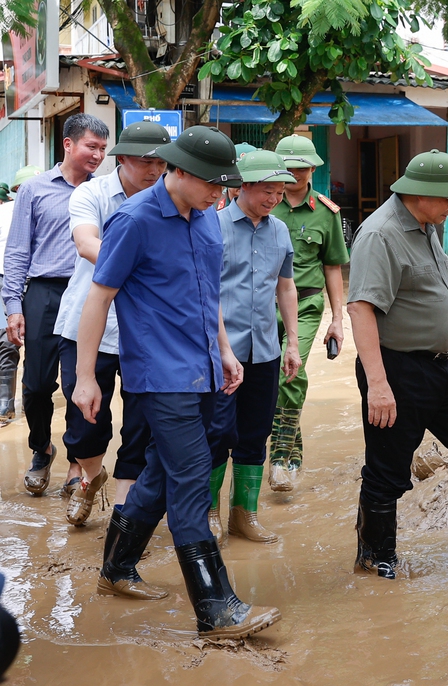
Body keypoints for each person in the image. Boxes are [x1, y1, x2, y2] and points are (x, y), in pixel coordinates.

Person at [73, 125, 279, 639]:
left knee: (162, 476)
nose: (218, 193)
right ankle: (216, 607)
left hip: (205, 371)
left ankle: (115, 571)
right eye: (210, 183)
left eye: (223, 185)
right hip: (160, 376)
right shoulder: (134, 221)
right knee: (190, 480)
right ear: (178, 171)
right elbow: (98, 298)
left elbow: (208, 297)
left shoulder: (206, 220)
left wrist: (226, 353)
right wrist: (83, 378)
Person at [346, 149, 448, 579]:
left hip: (442, 368)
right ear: (422, 194)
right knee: (387, 471)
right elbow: (361, 309)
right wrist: (378, 386)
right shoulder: (380, 235)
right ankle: (375, 559)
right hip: (397, 370)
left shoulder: (426, 224)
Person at [55, 122, 169, 527]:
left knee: (141, 426)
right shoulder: (92, 193)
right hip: (89, 328)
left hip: (146, 333)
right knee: (85, 426)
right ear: (122, 159)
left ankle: (124, 514)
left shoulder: (169, 201)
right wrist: (143, 265)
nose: (154, 170)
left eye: (161, 162)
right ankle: (90, 474)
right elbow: (86, 244)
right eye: (145, 161)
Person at [4, 114, 110, 497]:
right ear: (68, 144)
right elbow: (17, 251)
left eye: (102, 148)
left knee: (80, 381)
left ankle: (75, 462)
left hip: (90, 294)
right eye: (91, 147)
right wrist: (13, 306)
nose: (98, 155)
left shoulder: (105, 193)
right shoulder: (34, 189)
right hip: (45, 293)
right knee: (35, 386)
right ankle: (41, 448)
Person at [208, 150, 301, 544]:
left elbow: (285, 286)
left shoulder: (279, 230)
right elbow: (205, 292)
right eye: (267, 190)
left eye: (280, 192)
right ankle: (207, 513)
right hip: (218, 351)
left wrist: (292, 341)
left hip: (264, 350)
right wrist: (221, 347)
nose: (274, 198)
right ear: (241, 186)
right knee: (216, 431)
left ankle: (244, 514)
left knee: (255, 431)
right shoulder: (211, 226)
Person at [268, 134, 348, 492]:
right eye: (288, 168)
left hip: (307, 302)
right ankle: (292, 447)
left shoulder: (326, 213)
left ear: (313, 168)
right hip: (262, 305)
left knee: (292, 370)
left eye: (301, 169)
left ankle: (280, 454)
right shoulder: (264, 203)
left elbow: (333, 267)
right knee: (268, 376)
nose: (294, 175)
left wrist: (337, 319)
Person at [0, 166, 41, 426]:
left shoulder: (46, 209)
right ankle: (6, 403)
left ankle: (30, 399)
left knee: (38, 346)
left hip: (38, 283)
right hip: (6, 281)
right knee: (7, 342)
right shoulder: (4, 212)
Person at [216, 142, 257, 211]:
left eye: (249, 175)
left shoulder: (268, 207)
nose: (242, 180)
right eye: (237, 174)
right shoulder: (211, 204)